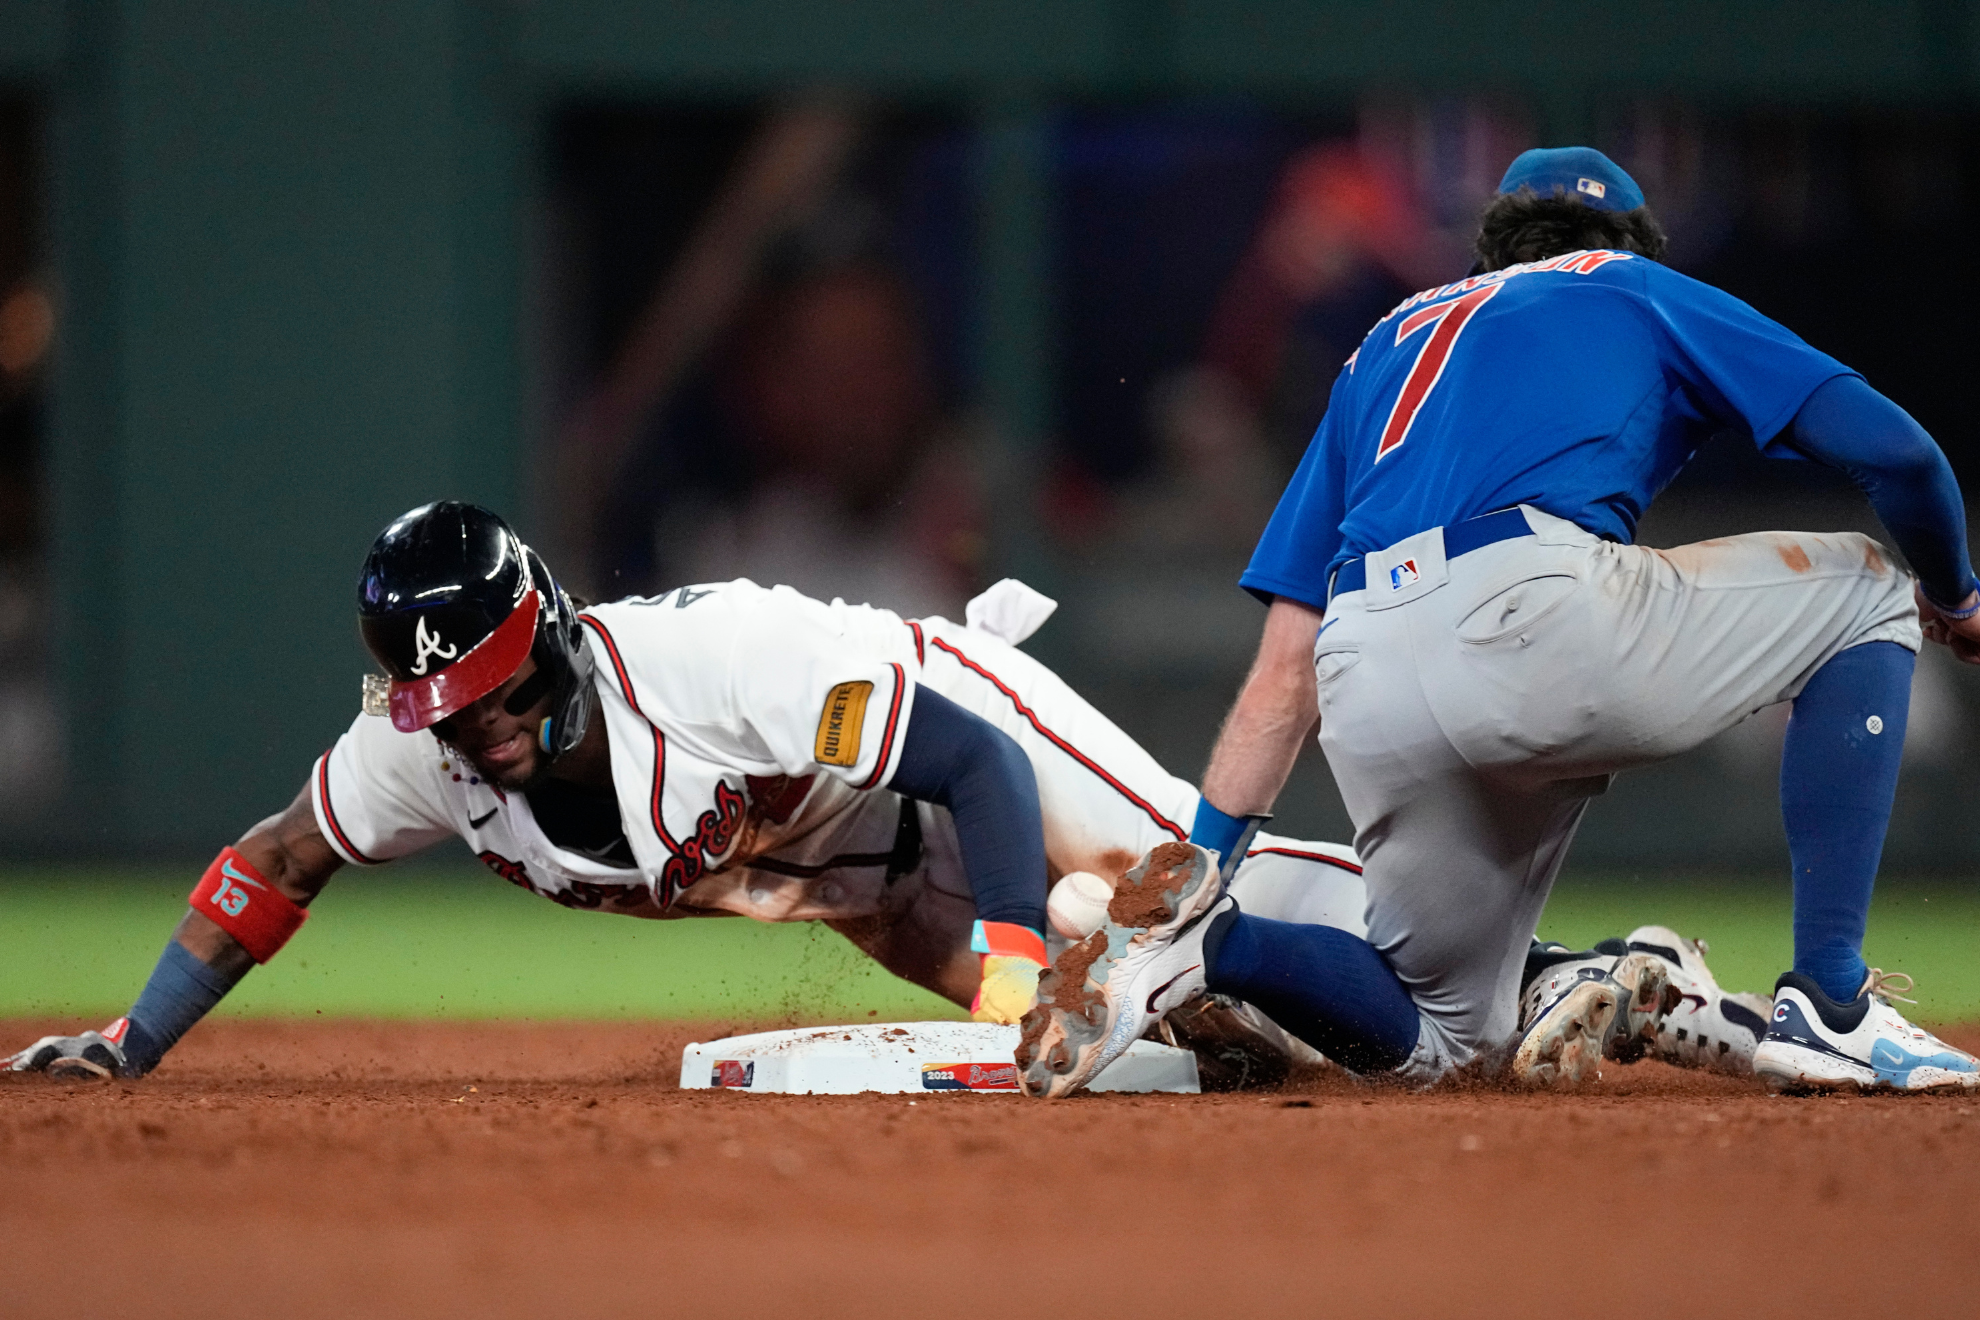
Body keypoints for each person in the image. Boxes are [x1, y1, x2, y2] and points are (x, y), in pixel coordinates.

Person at [1019, 146, 1980, 1098]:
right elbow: (1900, 454)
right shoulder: (1630, 284)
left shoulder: (1383, 345)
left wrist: (1199, 872)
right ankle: (1833, 1005)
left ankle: (1210, 948)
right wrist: (1957, 594)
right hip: (1531, 610)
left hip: (1366, 659)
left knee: (1444, 1036)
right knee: (1869, 589)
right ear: (1632, 239)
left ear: (1490, 253)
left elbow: (1281, 677)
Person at [4, 502, 1372, 1085]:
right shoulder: (417, 748)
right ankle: (1364, 1052)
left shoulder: (715, 666)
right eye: (448, 709)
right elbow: (282, 857)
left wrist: (1016, 962)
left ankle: (1524, 979)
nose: (478, 732)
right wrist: (135, 1038)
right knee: (1155, 1038)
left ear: (546, 632)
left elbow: (975, 764)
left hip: (939, 716)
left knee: (1172, 880)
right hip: (864, 892)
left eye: (497, 689)